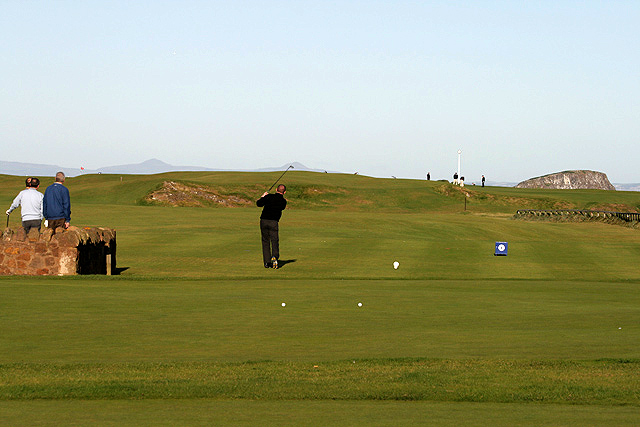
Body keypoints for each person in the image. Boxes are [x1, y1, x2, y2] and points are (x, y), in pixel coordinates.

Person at [256, 184, 287, 269]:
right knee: (274, 240)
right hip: (274, 222)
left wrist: (263, 197)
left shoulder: (269, 197)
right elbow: (282, 207)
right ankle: (275, 256)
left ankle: (267, 262)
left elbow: (259, 204)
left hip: (264, 221)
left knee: (265, 241)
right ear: (284, 192)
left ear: (276, 189)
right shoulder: (283, 201)